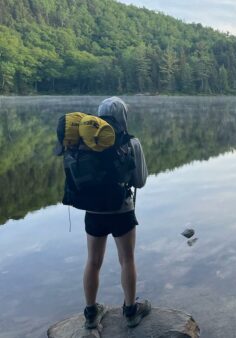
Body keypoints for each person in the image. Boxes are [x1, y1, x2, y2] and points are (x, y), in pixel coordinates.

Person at [81, 97, 151, 329]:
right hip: (121, 209)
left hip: (93, 210)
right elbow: (139, 181)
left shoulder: (85, 142)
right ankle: (130, 311)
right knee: (127, 259)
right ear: (123, 116)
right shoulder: (131, 143)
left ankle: (91, 313)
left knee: (93, 261)